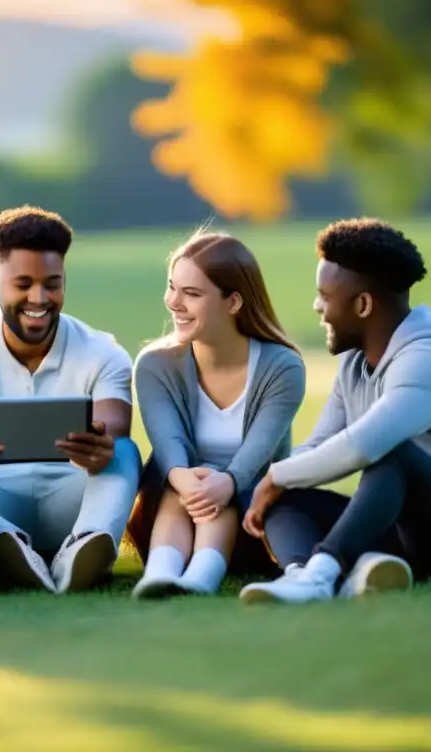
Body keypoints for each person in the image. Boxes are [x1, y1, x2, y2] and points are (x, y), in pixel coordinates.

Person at [238, 218, 431, 604]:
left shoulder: (430, 361)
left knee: (390, 454)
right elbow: (317, 446)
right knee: (287, 493)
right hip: (408, 530)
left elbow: (364, 446)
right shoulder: (354, 365)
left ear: (362, 304)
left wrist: (277, 474)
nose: (317, 306)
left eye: (324, 296)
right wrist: (270, 483)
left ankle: (323, 572)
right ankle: (305, 575)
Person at [0, 205, 142, 594]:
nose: (38, 299)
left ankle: (82, 548)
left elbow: (115, 428)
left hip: (73, 502)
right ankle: (6, 545)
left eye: (52, 284)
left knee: (124, 453)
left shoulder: (103, 352)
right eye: (23, 284)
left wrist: (100, 447)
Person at [127, 231, 306, 599]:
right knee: (183, 483)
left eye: (191, 294)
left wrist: (224, 483)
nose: (174, 303)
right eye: (172, 287)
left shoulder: (282, 368)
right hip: (169, 512)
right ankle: (159, 574)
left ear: (233, 302)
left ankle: (201, 578)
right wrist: (185, 478)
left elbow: (257, 454)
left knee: (218, 486)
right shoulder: (154, 366)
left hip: (252, 520)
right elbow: (168, 443)